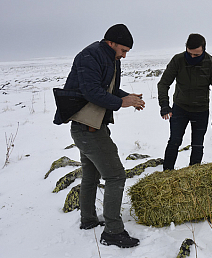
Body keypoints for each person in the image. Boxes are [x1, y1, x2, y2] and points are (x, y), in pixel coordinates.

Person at [52, 24, 144, 248]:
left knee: (91, 175)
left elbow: (107, 91)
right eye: (123, 50)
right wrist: (121, 102)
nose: (124, 55)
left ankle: (89, 220)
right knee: (115, 176)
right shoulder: (90, 55)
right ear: (111, 42)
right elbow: (91, 91)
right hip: (88, 129)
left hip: (91, 127)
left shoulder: (108, 58)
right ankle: (113, 231)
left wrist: (127, 97)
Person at [157, 33, 212, 171]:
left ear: (203, 50)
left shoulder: (211, 63)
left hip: (201, 111)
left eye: (196, 55)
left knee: (197, 144)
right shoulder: (178, 60)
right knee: (174, 140)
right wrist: (164, 104)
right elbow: (163, 83)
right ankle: (166, 174)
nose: (192, 57)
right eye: (190, 54)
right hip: (180, 109)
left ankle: (194, 175)